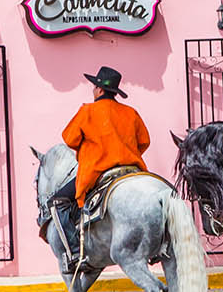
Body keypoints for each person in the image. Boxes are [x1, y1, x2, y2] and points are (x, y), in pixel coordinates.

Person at [53, 66, 151, 273]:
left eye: (94, 86)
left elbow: (70, 139)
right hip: (132, 170)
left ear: (98, 89)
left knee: (57, 202)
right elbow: (144, 142)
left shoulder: (87, 111)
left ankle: (74, 253)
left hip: (98, 173)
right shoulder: (130, 113)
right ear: (114, 92)